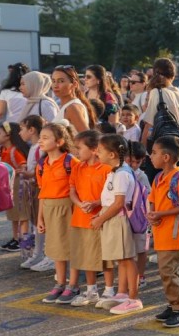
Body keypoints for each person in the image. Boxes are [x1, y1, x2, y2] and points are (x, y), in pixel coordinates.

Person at [92, 135, 143, 314]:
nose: (96, 152)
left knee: (127, 259)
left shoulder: (121, 173)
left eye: (100, 150)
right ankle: (122, 293)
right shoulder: (116, 171)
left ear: (112, 154)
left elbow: (119, 203)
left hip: (117, 218)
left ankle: (133, 298)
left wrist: (100, 218)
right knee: (121, 258)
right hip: (112, 217)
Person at [61, 130, 112, 307]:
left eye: (79, 148)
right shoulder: (77, 167)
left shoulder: (106, 169)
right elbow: (72, 191)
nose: (76, 152)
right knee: (86, 257)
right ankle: (91, 291)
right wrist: (80, 203)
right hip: (80, 219)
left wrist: (96, 202)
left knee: (105, 257)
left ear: (93, 149)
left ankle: (109, 290)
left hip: (100, 219)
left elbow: (111, 195)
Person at [148, 136, 179, 327]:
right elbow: (152, 198)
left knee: (169, 271)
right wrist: (152, 213)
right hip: (160, 232)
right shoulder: (159, 178)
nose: (151, 156)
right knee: (165, 271)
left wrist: (161, 213)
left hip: (173, 233)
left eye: (154, 153)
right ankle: (172, 304)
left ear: (166, 157)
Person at [37, 124, 81, 304]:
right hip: (49, 208)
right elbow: (42, 192)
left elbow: (78, 190)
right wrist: (40, 217)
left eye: (46, 137)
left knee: (71, 247)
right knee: (56, 248)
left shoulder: (71, 162)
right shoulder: (42, 164)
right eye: (41, 136)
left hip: (67, 208)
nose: (41, 140)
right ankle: (60, 283)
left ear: (60, 141)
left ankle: (73, 285)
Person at [140, 59, 179, 182]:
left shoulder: (156, 93)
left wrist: (142, 151)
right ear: (173, 75)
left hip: (161, 154)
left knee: (158, 195)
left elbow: (148, 126)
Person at [18, 115, 48, 270]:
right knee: (36, 223)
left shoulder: (39, 148)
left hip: (39, 190)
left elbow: (41, 170)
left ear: (32, 130)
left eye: (22, 128)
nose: (19, 132)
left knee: (41, 223)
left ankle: (46, 255)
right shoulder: (33, 147)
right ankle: (38, 254)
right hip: (33, 190)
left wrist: (29, 175)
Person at [0, 123, 30, 251]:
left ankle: (24, 241)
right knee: (13, 214)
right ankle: (16, 238)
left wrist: (18, 170)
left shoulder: (14, 150)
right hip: (11, 185)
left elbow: (23, 165)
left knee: (22, 214)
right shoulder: (4, 150)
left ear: (8, 135)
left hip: (20, 185)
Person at [126, 141, 152, 287]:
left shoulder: (141, 176)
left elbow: (148, 196)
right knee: (128, 249)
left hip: (141, 218)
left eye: (137, 162)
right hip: (126, 216)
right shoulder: (120, 173)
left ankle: (141, 275)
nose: (133, 165)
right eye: (130, 161)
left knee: (141, 249)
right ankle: (130, 276)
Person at [51, 66, 97, 133]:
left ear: (74, 84)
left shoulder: (73, 107)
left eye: (61, 81)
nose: (55, 85)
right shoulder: (65, 105)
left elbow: (86, 137)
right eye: (53, 81)